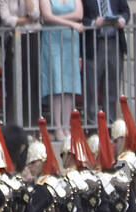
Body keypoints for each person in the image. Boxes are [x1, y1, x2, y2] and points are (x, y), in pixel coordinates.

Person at [40, 0, 82, 133]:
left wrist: (56, 18)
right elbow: (46, 16)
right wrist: (71, 22)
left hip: (70, 40)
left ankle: (66, 125)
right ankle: (57, 125)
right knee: (56, 82)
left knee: (69, 83)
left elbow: (79, 14)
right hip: (53, 39)